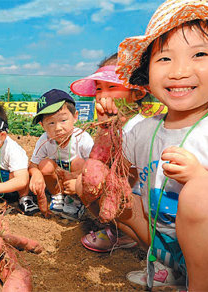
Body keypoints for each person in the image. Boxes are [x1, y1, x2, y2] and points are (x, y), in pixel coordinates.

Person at [98, 0, 208, 290]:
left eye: (199, 54)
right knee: (100, 184)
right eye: (164, 58)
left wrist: (202, 180)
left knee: (203, 194)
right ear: (147, 70)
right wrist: (108, 131)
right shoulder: (142, 131)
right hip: (172, 256)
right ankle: (177, 276)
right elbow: (117, 179)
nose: (179, 71)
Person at [71, 54, 145, 252]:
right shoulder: (111, 122)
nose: (103, 96)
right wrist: (105, 127)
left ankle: (128, 234)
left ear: (137, 93)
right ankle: (116, 230)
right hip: (122, 192)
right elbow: (98, 159)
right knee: (83, 181)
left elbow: (129, 173)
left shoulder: (140, 127)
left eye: (112, 87)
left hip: (139, 197)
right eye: (99, 89)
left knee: (107, 187)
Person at [29, 89, 94, 220]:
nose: (58, 128)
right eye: (51, 123)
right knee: (44, 165)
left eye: (63, 120)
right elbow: (33, 165)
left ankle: (75, 200)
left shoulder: (82, 138)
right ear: (43, 125)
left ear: (75, 117)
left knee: (79, 162)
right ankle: (57, 196)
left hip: (78, 178)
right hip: (59, 180)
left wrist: (77, 181)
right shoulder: (44, 140)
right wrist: (36, 174)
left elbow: (94, 166)